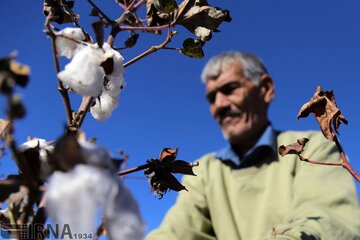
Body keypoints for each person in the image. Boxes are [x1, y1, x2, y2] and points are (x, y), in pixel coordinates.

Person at [145, 52, 360, 240]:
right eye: (212, 98)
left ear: (265, 89)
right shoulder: (205, 171)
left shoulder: (313, 148)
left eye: (230, 89)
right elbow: (177, 232)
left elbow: (330, 219)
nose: (219, 105)